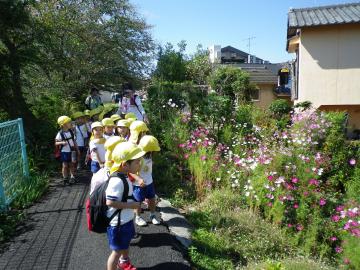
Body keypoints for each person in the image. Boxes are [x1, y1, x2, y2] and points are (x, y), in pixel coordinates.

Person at [106, 142, 146, 270]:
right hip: (117, 224)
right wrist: (132, 205)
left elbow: (124, 196)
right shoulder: (117, 181)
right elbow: (110, 202)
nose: (139, 164)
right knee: (116, 252)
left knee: (125, 244)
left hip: (126, 220)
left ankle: (124, 262)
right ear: (125, 165)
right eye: (137, 162)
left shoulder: (125, 176)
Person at [133, 135, 161, 226]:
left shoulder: (149, 155)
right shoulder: (137, 157)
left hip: (149, 182)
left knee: (152, 199)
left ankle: (152, 215)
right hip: (138, 184)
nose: (153, 151)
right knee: (138, 201)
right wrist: (139, 179)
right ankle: (138, 217)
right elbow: (131, 172)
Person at [55, 116, 80, 185]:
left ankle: (72, 177)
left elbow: (74, 141)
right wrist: (62, 142)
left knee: (72, 164)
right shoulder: (60, 133)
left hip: (72, 151)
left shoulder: (71, 132)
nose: (70, 123)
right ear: (64, 124)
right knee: (65, 165)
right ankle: (65, 178)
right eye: (69, 122)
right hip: (64, 152)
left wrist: (77, 150)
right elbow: (56, 142)